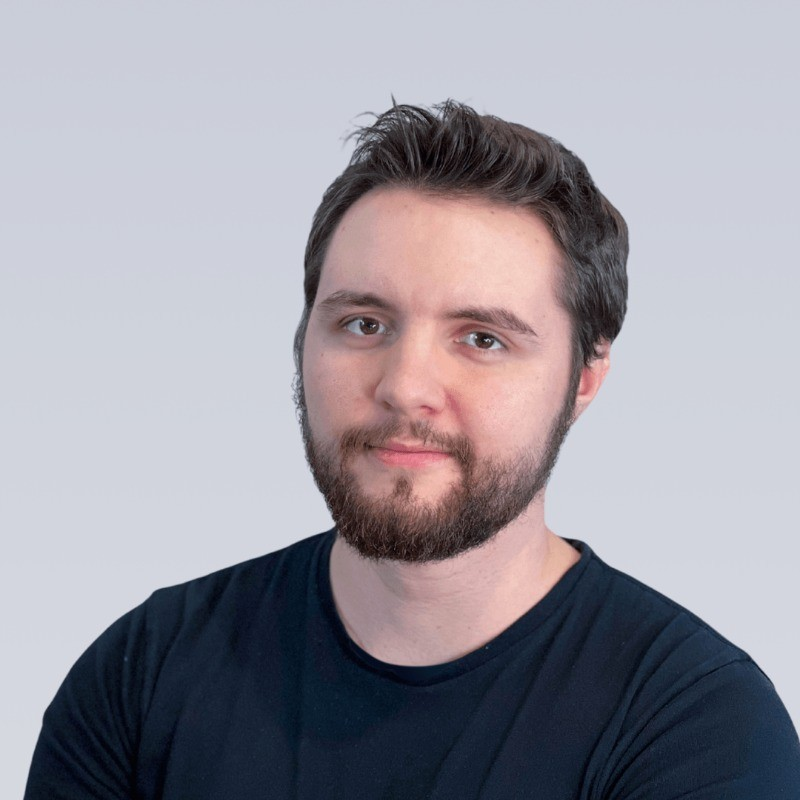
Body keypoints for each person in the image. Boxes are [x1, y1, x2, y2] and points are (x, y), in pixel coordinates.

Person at [25, 101, 800, 799]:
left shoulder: (699, 728)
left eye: (482, 338)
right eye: (364, 324)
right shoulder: (146, 672)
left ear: (584, 378)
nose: (404, 386)